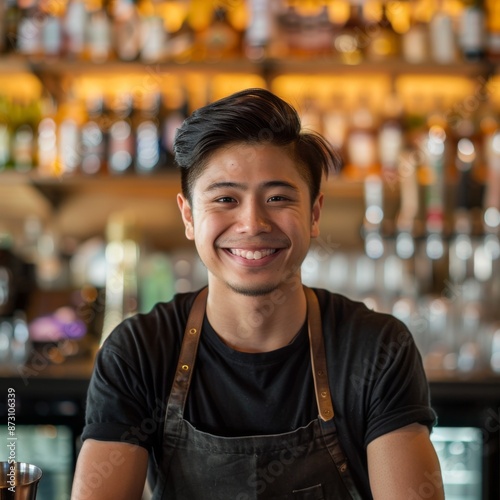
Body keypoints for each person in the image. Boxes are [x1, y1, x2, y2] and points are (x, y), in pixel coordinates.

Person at [71, 88, 444, 500]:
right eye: (225, 198)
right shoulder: (139, 351)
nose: (252, 223)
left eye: (278, 198)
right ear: (189, 216)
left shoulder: (377, 350)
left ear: (314, 213)